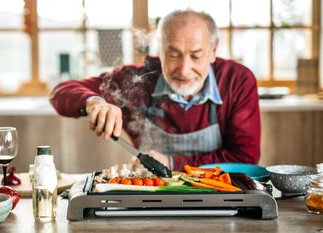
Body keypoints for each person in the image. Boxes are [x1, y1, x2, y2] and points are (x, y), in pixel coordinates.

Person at [50, 9, 260, 170]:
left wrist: (172, 162)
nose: (184, 69)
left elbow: (244, 158)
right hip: (149, 198)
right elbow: (60, 93)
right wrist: (93, 101)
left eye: (196, 55)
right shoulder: (137, 80)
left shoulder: (237, 81)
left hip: (223, 199)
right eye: (174, 55)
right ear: (160, 51)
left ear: (213, 51)